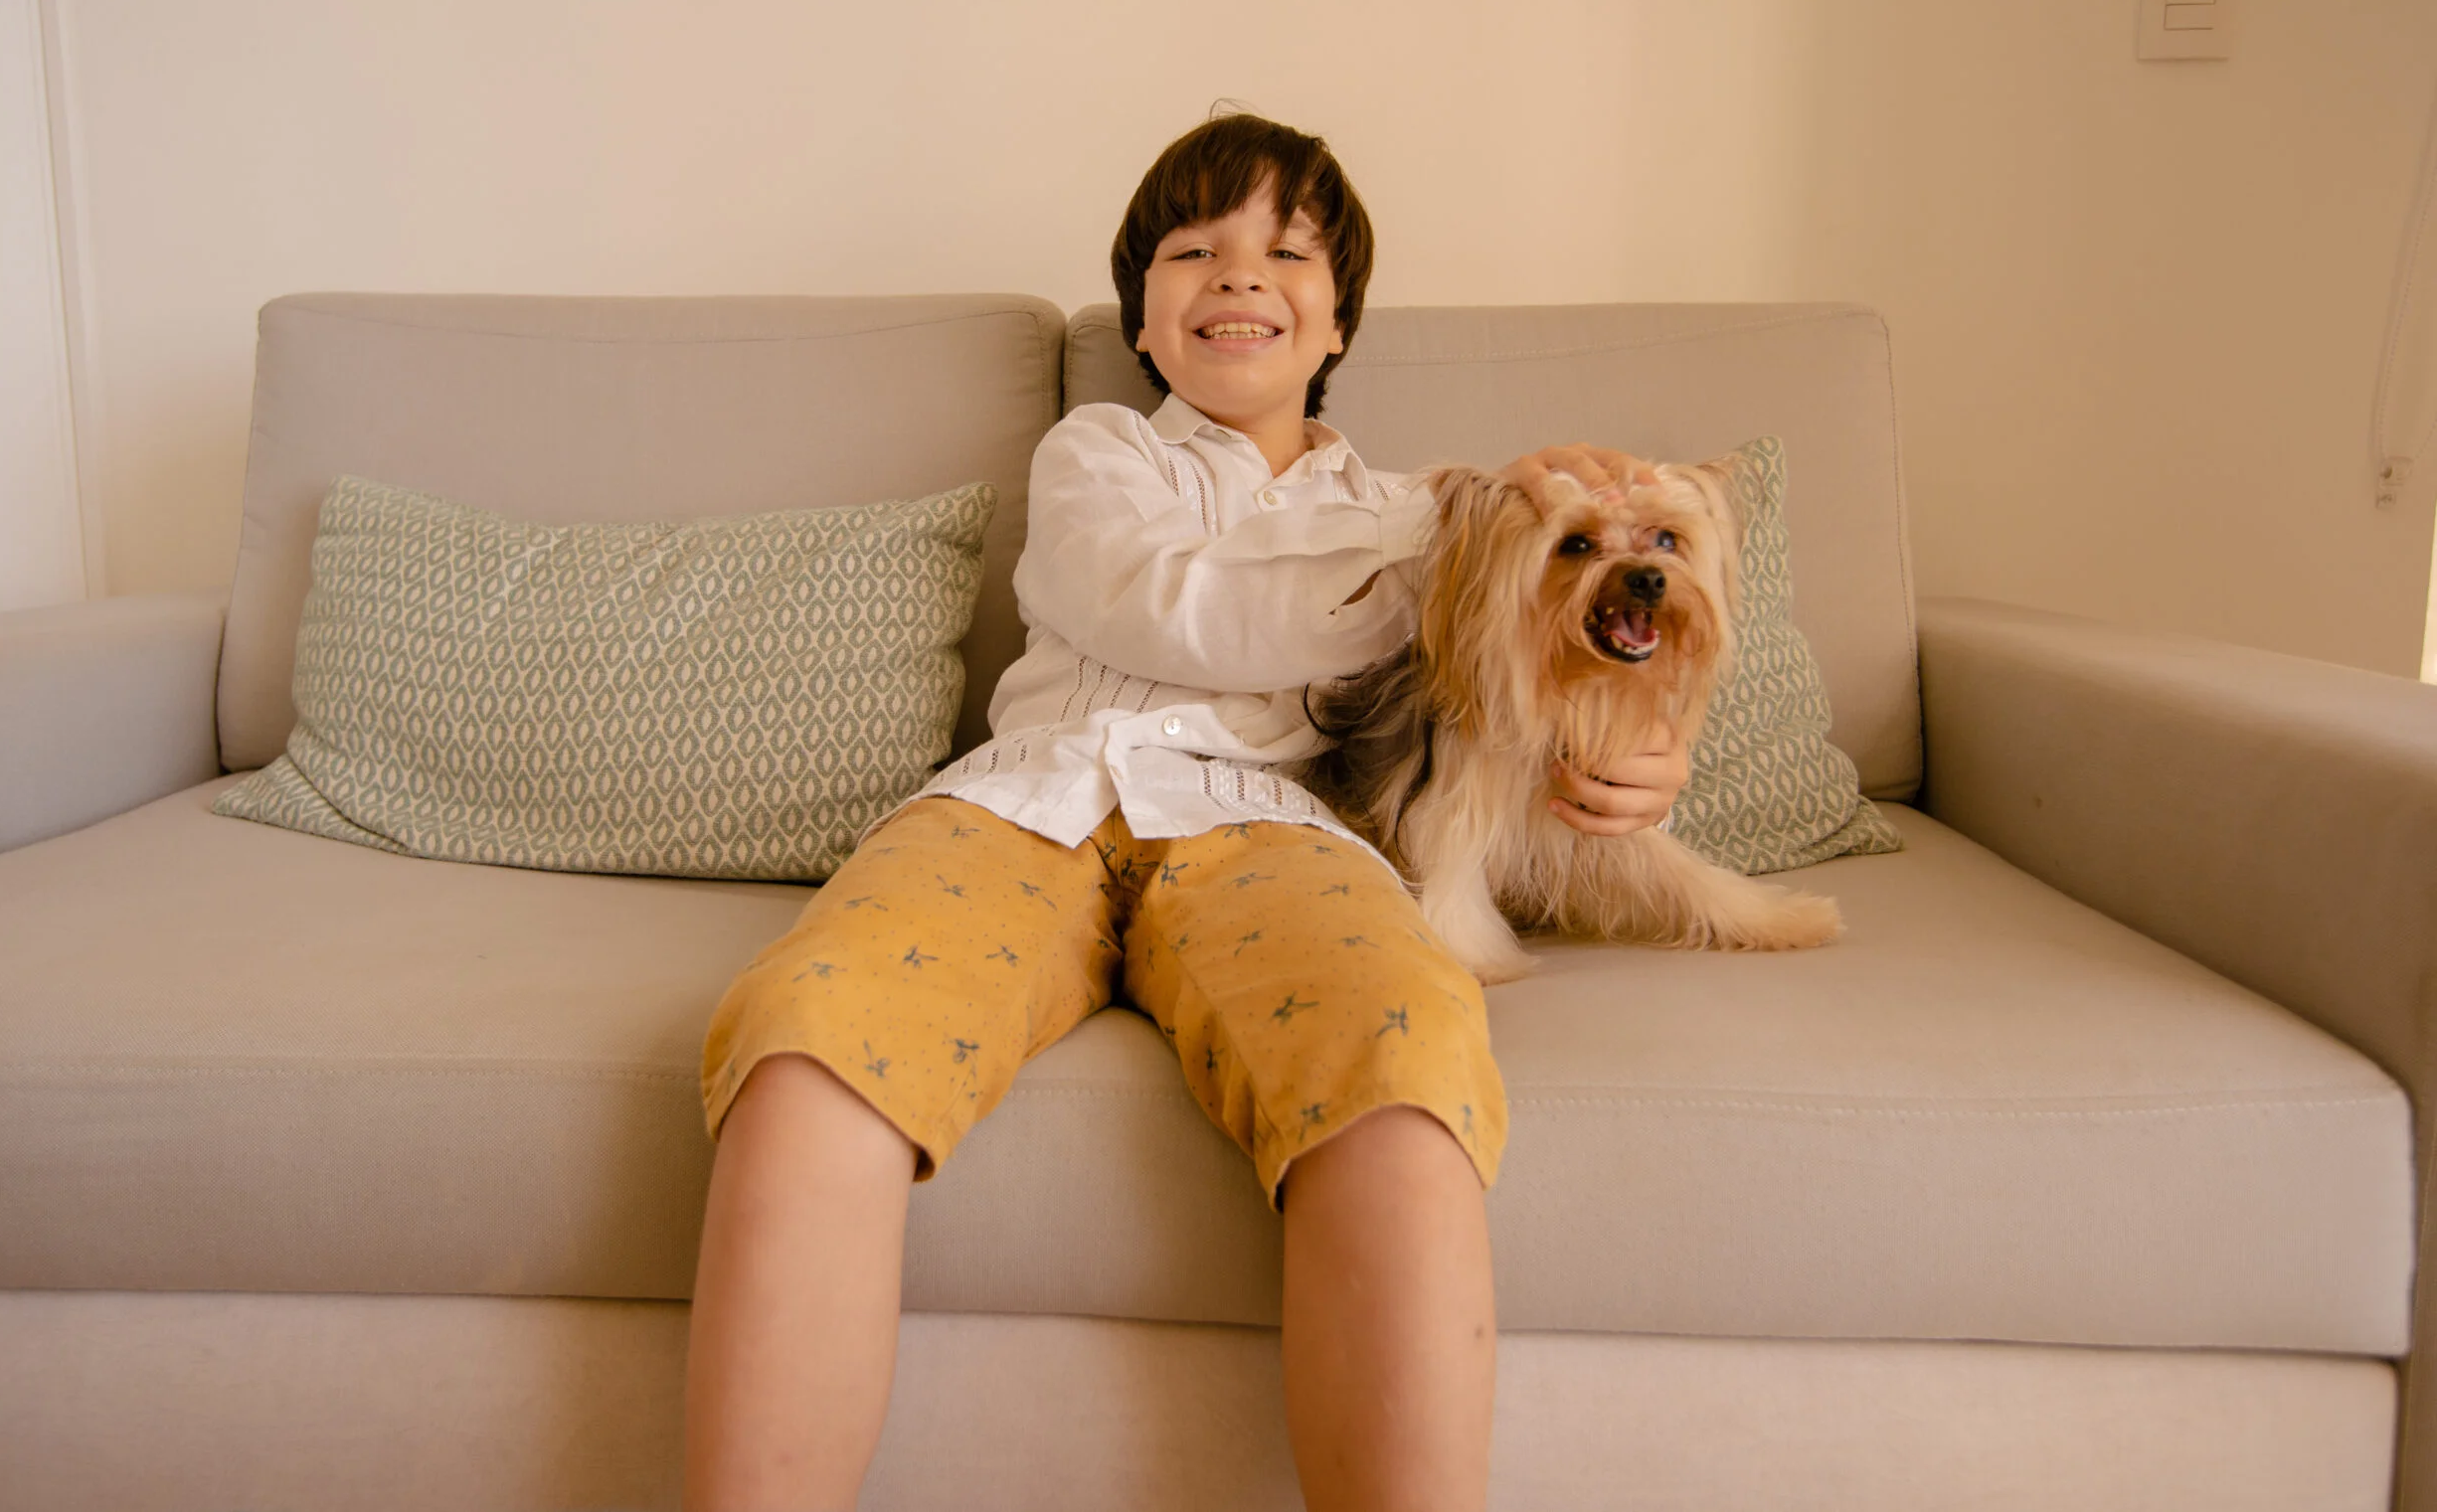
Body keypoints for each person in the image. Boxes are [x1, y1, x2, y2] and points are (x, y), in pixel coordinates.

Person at [683, 112, 1688, 1512]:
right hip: (1018, 802)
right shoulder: (1100, 453)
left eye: (1287, 251)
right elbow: (1173, 607)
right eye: (1193, 250)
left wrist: (1643, 767)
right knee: (811, 1042)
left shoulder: (1417, 511)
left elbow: (1551, 676)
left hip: (1267, 831)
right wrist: (1453, 538)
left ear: (1340, 317)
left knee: (1407, 1064)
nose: (1239, 275)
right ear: (1143, 318)